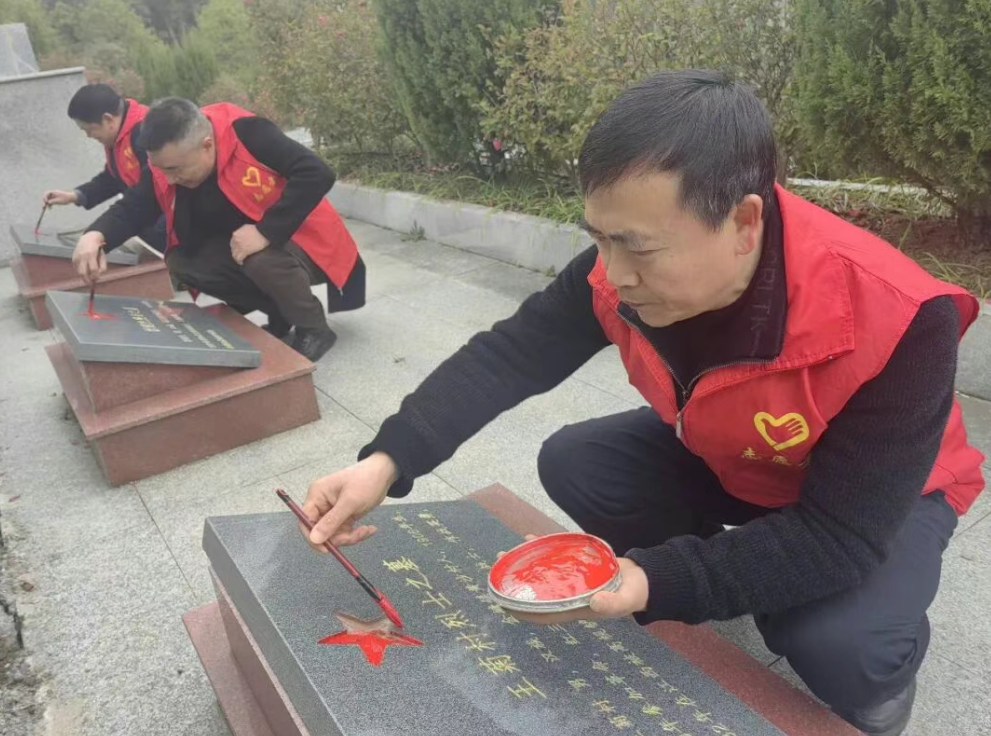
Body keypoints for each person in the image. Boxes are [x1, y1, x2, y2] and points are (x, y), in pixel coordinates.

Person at [297, 70, 984, 736]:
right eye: (599, 238)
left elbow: (839, 536)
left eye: (638, 249)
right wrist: (385, 461)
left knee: (840, 644)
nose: (612, 274)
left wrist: (654, 579)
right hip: (736, 455)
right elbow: (511, 355)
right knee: (578, 460)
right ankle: (743, 571)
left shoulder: (898, 318)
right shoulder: (616, 271)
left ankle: (874, 678)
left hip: (879, 497)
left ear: (744, 222)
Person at [72, 97, 365, 361]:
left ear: (207, 145)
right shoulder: (167, 164)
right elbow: (136, 205)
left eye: (175, 169)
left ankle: (313, 328)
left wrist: (265, 231)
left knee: (260, 258)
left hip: (304, 241)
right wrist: (95, 236)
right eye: (162, 169)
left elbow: (316, 172)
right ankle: (279, 310)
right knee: (182, 261)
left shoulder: (247, 133)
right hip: (244, 246)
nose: (169, 179)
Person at [43, 83, 166, 252]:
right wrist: (74, 196)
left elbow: (150, 190)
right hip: (146, 216)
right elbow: (113, 178)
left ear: (108, 119)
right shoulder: (118, 136)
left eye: (90, 129)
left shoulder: (146, 133)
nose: (88, 135)